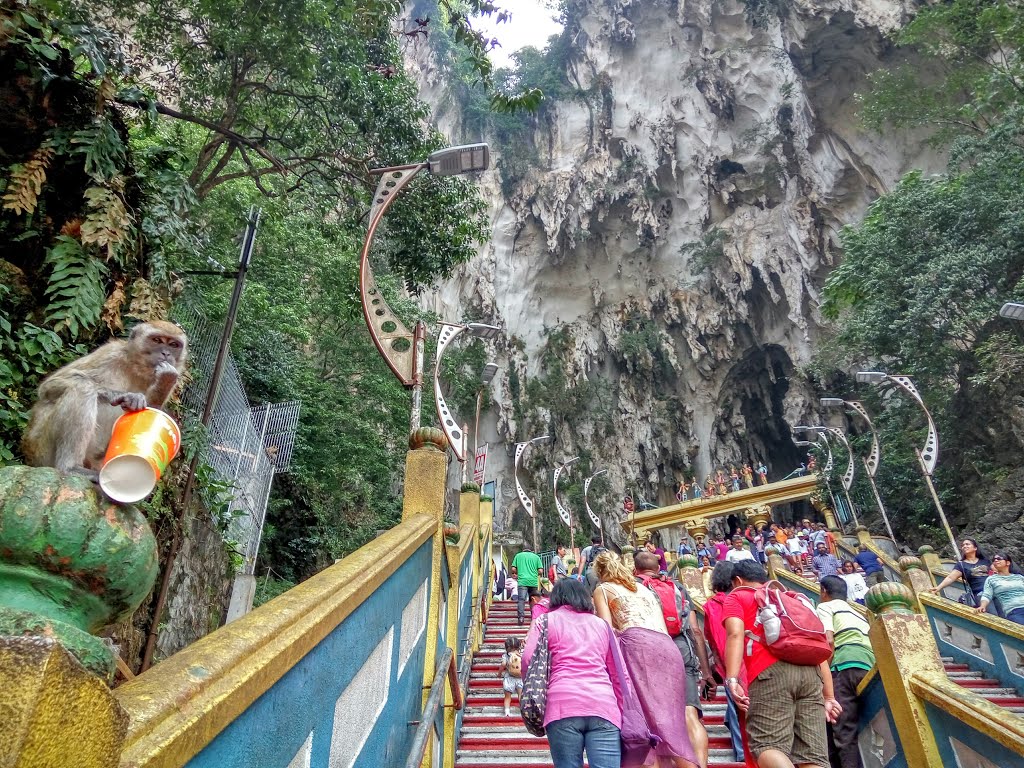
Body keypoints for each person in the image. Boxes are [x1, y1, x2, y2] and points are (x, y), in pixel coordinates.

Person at [723, 560, 840, 768]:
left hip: (770, 672)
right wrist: (829, 696)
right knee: (812, 756)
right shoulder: (791, 599)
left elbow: (735, 634)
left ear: (738, 581)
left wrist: (732, 679)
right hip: (811, 674)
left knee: (767, 746)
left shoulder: (738, 595)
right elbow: (817, 647)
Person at [593, 552, 699, 768]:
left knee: (646, 722)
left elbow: (606, 629)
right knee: (672, 724)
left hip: (638, 647)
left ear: (600, 572)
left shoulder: (603, 589)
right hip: (668, 648)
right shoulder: (643, 589)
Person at [522, 578, 624, 768]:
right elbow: (619, 674)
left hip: (561, 704)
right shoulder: (602, 625)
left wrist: (534, 690)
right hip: (603, 704)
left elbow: (528, 658)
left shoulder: (544, 621)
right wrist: (622, 708)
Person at [635, 552, 713, 768]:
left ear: (635, 569)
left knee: (652, 716)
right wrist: (705, 671)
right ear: (659, 566)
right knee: (690, 713)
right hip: (681, 648)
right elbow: (696, 631)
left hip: (649, 650)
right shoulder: (677, 587)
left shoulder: (633, 586)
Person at [816, 576, 875, 768]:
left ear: (824, 591)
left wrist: (823, 675)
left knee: (843, 731)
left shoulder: (826, 607)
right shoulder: (859, 614)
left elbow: (829, 641)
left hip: (844, 665)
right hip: (868, 667)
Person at [702, 561, 754, 768]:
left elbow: (711, 638)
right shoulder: (744, 599)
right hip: (749, 655)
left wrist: (715, 666)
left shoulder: (711, 605)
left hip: (726, 658)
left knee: (735, 702)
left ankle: (741, 750)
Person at [929, 538, 991, 608]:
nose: (964, 546)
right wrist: (938, 587)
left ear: (975, 548)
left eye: (967, 544)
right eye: (963, 545)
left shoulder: (985, 561)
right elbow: (951, 577)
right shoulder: (961, 565)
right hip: (980, 593)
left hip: (995, 590)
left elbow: (996, 573)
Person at [977, 553, 1024, 624]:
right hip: (1013, 611)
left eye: (999, 559)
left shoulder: (1019, 577)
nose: (996, 560)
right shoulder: (991, 579)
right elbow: (987, 595)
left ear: (1008, 562)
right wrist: (982, 606)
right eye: (994, 559)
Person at [512, 546, 543, 624]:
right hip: (533, 581)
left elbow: (513, 569)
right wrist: (534, 573)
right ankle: (534, 616)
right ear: (531, 550)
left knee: (521, 599)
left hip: (522, 581)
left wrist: (518, 573)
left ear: (523, 550)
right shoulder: (536, 557)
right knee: (534, 599)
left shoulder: (518, 556)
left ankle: (521, 618)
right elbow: (540, 571)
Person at [500, 636, 525, 717]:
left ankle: (507, 711)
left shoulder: (505, 655)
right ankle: (523, 711)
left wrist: (499, 673)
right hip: (520, 678)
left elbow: (503, 664)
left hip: (509, 677)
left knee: (507, 696)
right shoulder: (521, 654)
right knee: (520, 695)